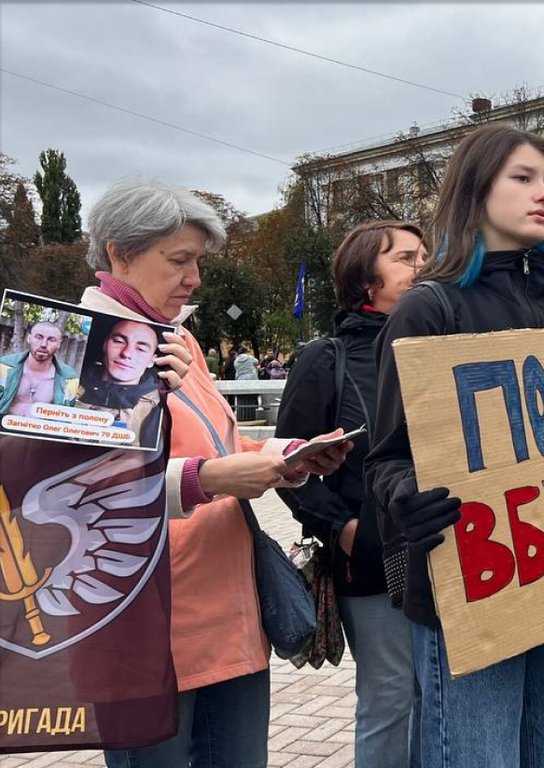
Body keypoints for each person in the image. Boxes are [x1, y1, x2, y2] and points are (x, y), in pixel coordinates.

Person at [78, 179, 352, 768]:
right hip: (144, 626)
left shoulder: (179, 339)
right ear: (120, 253)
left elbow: (222, 442)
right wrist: (210, 480)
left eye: (198, 260)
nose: (195, 277)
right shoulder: (74, 350)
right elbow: (79, 493)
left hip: (228, 613)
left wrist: (291, 456)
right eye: (179, 260)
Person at [367, 122, 544, 768]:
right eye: (523, 179)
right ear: (477, 190)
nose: (543, 195)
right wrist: (406, 498)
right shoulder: (428, 310)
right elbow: (386, 456)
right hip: (470, 589)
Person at [275, 220, 428, 768]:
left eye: (426, 256)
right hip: (373, 562)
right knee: (392, 698)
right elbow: (286, 468)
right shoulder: (328, 358)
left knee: (440, 697)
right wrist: (343, 529)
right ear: (368, 279)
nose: (423, 267)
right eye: (407, 258)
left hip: (448, 550)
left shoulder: (439, 345)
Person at [75, 318, 165, 447]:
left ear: (151, 360)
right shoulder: (67, 387)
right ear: (105, 345)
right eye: (119, 341)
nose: (126, 353)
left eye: (140, 349)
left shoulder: (160, 407)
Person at [0, 320, 80, 416]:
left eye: (51, 340)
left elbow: (69, 415)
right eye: (39, 337)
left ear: (59, 344)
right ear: (29, 338)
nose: (43, 344)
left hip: (41, 429)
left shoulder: (70, 379)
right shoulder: (4, 367)